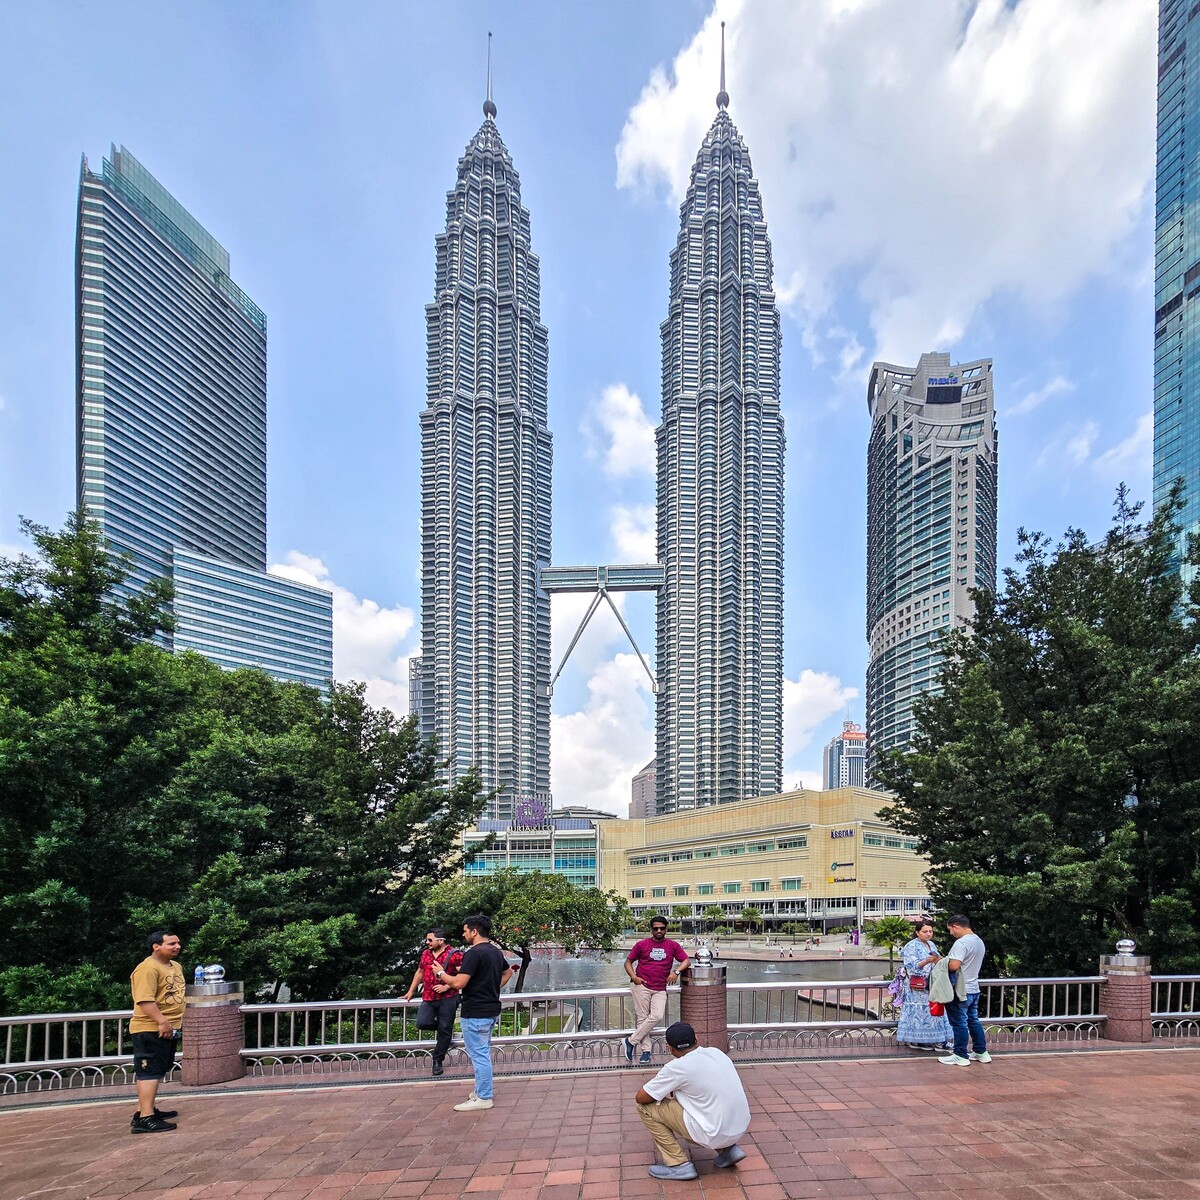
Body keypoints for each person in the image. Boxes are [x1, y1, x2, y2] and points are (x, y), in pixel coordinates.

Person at [634, 1022, 751, 1181]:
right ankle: (728, 1150)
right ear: (697, 1039)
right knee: (705, 1101)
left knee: (646, 1108)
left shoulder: (676, 1067)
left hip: (712, 1133)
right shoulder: (716, 1053)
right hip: (738, 1128)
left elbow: (641, 1097)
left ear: (669, 1048)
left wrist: (668, 1090)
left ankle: (678, 1164)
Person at [430, 914, 514, 1111]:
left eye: (466, 930)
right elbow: (508, 972)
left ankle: (484, 1097)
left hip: (475, 1011)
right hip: (490, 1008)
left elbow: (458, 983)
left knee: (479, 1055)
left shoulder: (473, 954)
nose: (463, 934)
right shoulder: (495, 952)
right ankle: (479, 1092)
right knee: (482, 1052)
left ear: (474, 931)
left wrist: (441, 973)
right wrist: (492, 988)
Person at [129, 931, 185, 1134]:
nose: (177, 946)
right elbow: (144, 1000)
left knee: (158, 1069)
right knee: (149, 1072)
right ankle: (146, 1119)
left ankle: (145, 1109)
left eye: (178, 943)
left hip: (168, 1027)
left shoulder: (175, 966)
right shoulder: (147, 969)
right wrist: (162, 1022)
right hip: (149, 1029)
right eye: (171, 943)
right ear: (156, 946)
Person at [624, 915, 689, 1065]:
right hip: (641, 986)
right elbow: (628, 962)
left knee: (657, 1015)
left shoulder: (672, 945)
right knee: (642, 1018)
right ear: (651, 929)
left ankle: (630, 1041)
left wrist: (676, 972)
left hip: (660, 988)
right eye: (655, 928)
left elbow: (686, 960)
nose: (659, 931)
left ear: (666, 929)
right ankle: (646, 1051)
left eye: (662, 928)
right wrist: (634, 977)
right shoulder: (642, 945)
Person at [403, 927, 464, 1076]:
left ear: (441, 941)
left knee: (444, 1027)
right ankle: (446, 1030)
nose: (427, 942)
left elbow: (463, 975)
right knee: (422, 1022)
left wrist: (446, 986)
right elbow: (420, 972)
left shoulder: (455, 955)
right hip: (429, 996)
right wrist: (411, 991)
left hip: (448, 997)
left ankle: (438, 1060)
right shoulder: (426, 954)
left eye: (430, 940)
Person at [939, 914, 991, 1066]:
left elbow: (954, 965)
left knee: (959, 1022)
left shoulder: (961, 943)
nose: (951, 934)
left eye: (951, 930)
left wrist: (941, 963)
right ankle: (981, 1052)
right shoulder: (978, 941)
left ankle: (960, 1054)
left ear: (955, 926)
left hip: (960, 989)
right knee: (973, 1020)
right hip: (974, 988)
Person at [896, 919, 952, 1051]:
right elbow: (911, 966)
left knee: (934, 1009)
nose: (928, 934)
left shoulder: (931, 945)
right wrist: (926, 961)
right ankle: (918, 1040)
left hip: (932, 983)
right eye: (925, 931)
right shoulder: (911, 946)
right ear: (917, 932)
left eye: (930, 931)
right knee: (919, 1012)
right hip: (917, 986)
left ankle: (936, 1040)